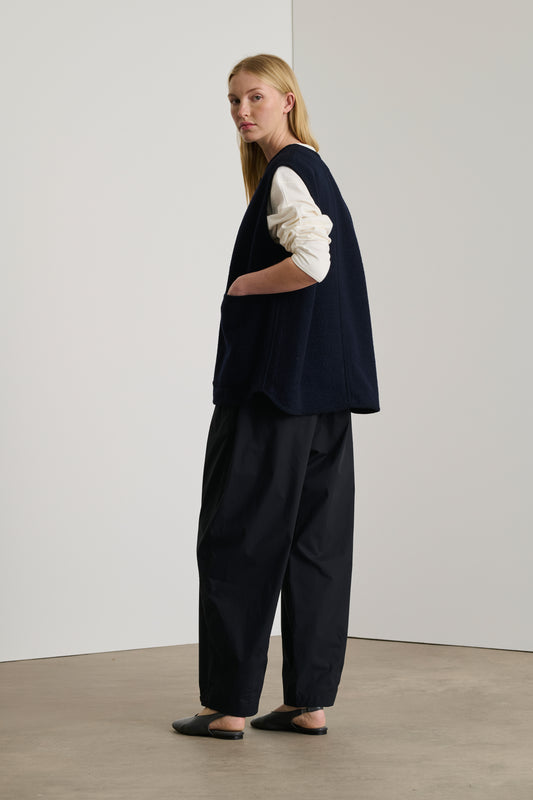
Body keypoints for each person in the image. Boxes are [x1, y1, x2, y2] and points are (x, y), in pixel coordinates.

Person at [172, 54, 379, 740]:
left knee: (237, 540)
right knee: (316, 546)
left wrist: (245, 285)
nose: (241, 111)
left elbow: (312, 261)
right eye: (233, 100)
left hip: (272, 394)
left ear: (287, 100)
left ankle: (228, 706)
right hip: (323, 398)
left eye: (254, 97)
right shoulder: (314, 167)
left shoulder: (288, 171)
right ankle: (307, 702)